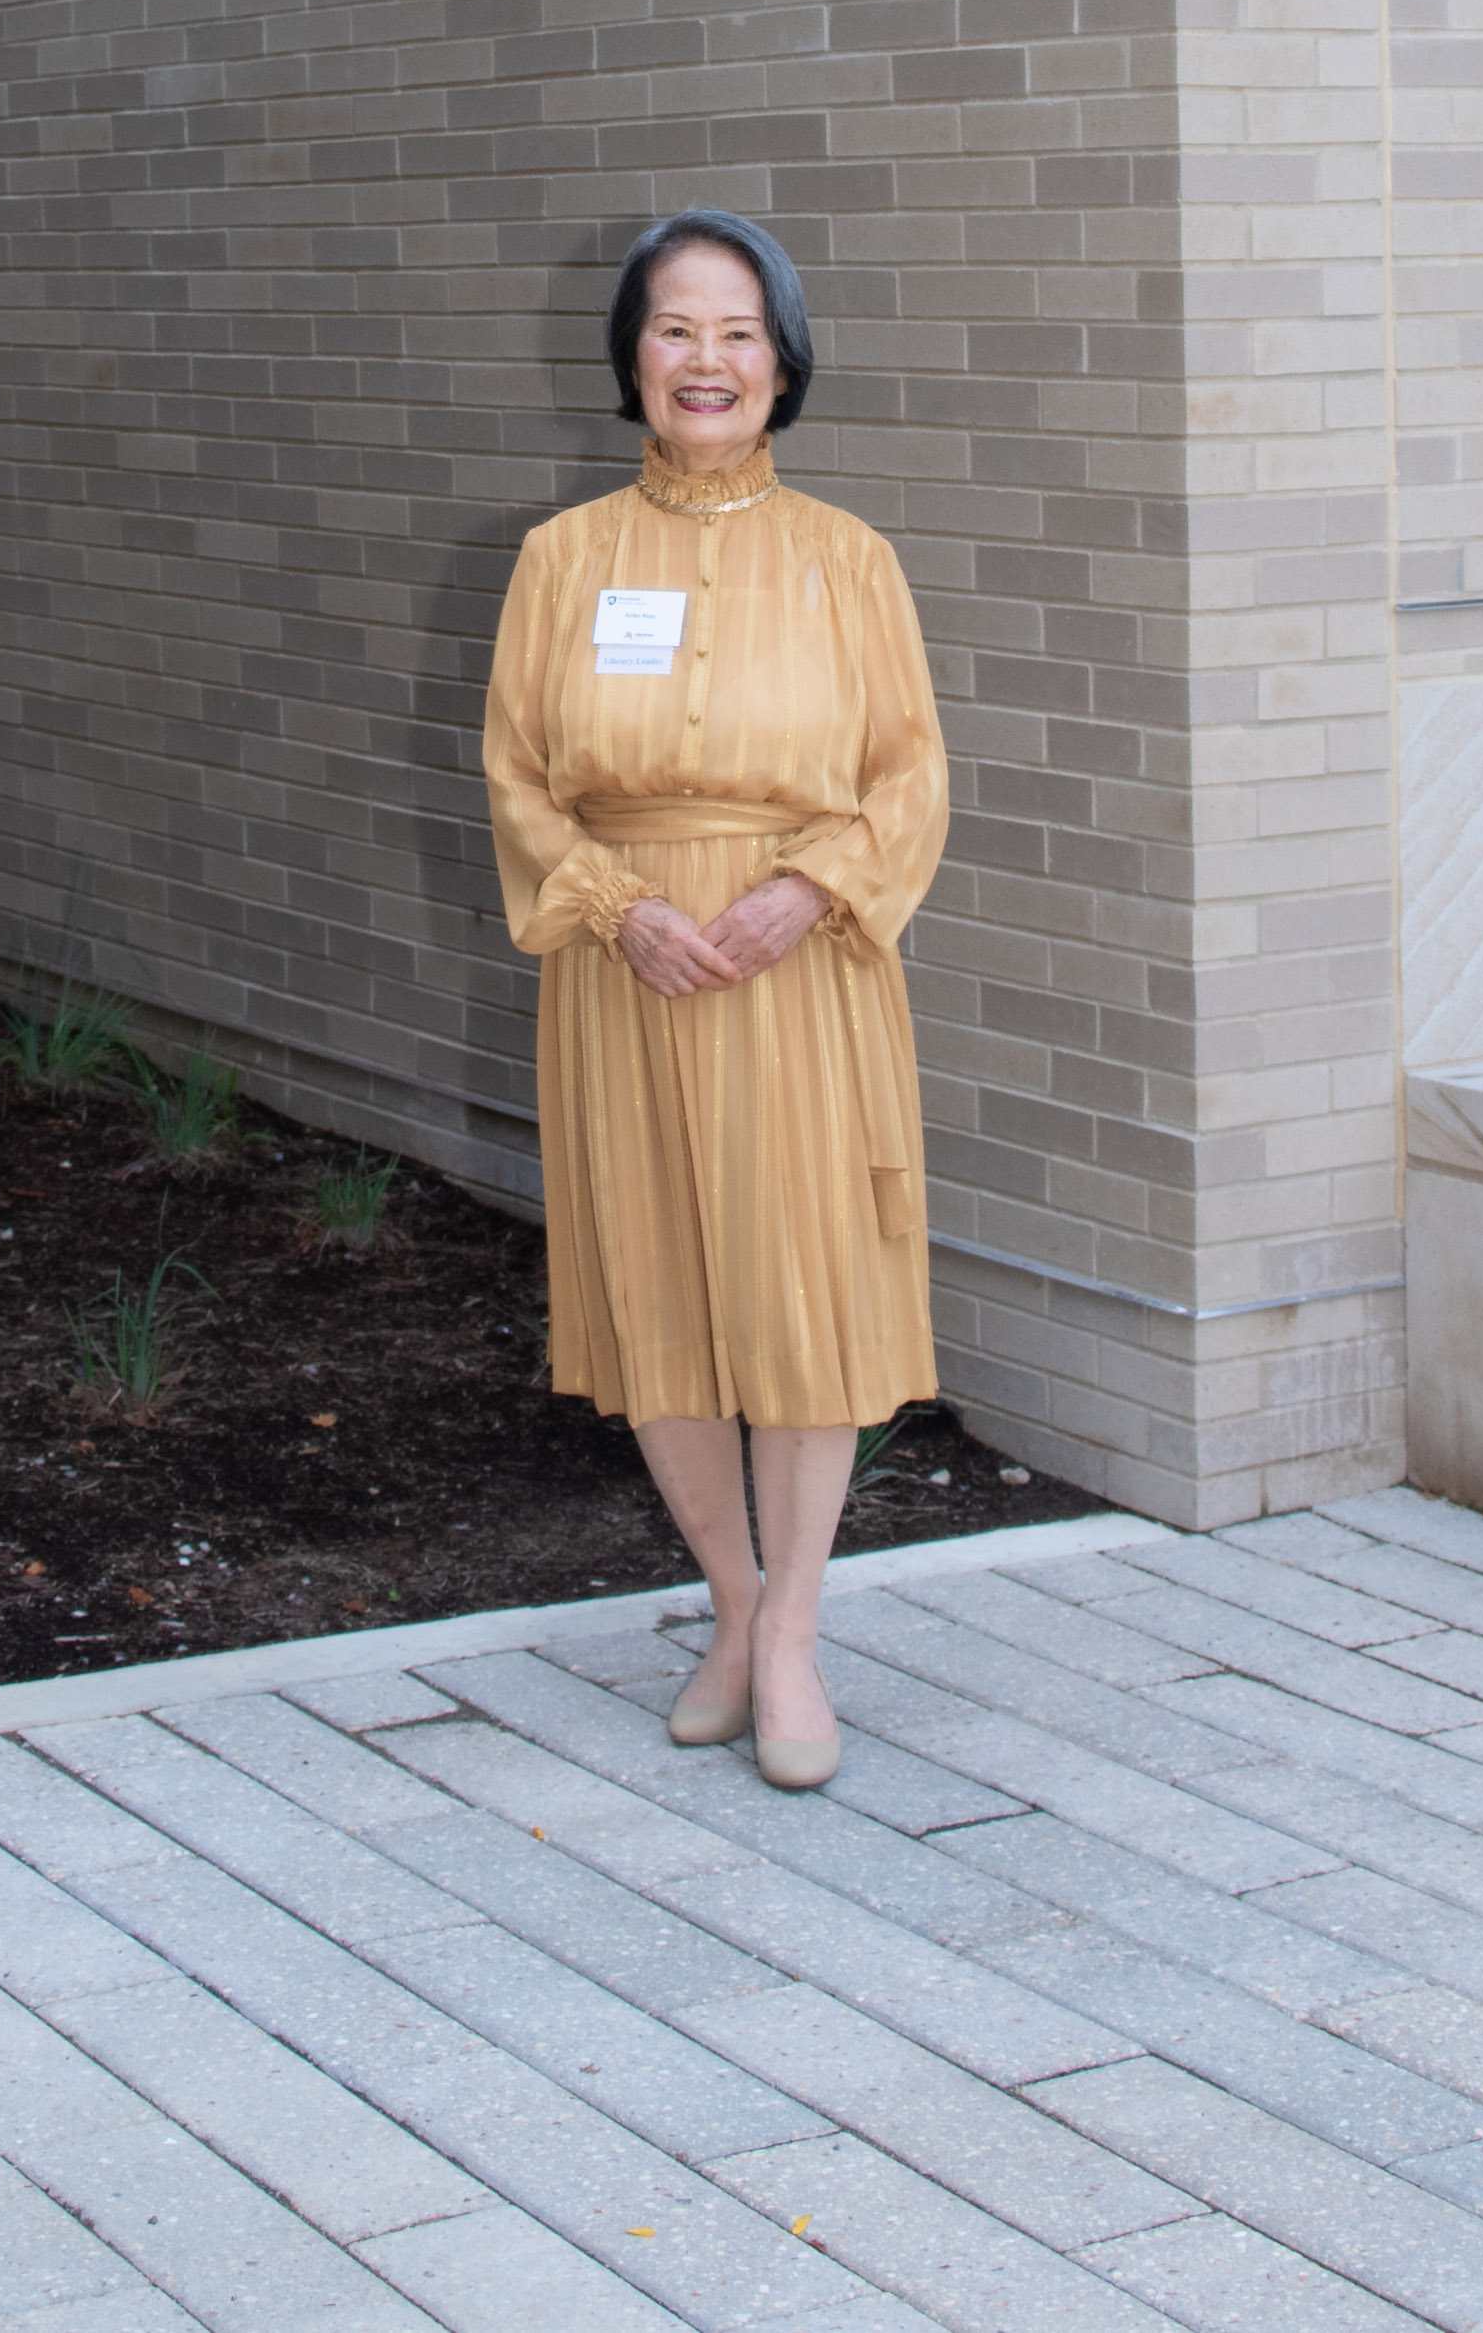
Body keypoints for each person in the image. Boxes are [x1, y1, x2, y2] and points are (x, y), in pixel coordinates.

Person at [481, 209, 949, 1789]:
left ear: (785, 363)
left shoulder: (847, 560)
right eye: (677, 328)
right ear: (632, 355)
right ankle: (733, 1609)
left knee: (803, 1295)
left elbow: (909, 775)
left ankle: (801, 1632)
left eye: (738, 332)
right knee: (661, 1292)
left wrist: (804, 887)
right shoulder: (561, 561)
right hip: (628, 980)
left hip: (797, 968)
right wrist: (618, 911)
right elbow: (519, 780)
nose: (706, 360)